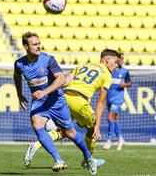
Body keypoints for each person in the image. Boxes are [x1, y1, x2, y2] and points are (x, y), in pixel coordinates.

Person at [14, 32, 98, 174]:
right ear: (25, 46)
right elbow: (16, 75)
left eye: (39, 43)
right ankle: (58, 160)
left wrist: (44, 92)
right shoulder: (19, 64)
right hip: (40, 103)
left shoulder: (48, 60)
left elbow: (61, 80)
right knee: (36, 123)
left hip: (57, 101)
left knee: (70, 133)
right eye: (35, 44)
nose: (38, 46)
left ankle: (89, 158)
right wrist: (19, 94)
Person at [24, 48, 120, 170]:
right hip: (79, 101)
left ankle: (36, 145)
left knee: (65, 131)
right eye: (116, 62)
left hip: (64, 97)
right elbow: (101, 102)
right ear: (107, 60)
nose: (117, 66)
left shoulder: (82, 65)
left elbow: (64, 82)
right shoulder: (107, 75)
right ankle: (88, 160)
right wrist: (97, 125)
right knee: (92, 130)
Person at [103, 52, 131, 151]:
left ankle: (109, 140)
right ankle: (120, 139)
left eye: (124, 59)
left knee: (110, 118)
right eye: (121, 59)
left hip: (118, 99)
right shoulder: (110, 70)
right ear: (117, 59)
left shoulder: (125, 71)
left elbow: (129, 82)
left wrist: (125, 84)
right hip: (109, 97)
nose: (123, 61)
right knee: (113, 120)